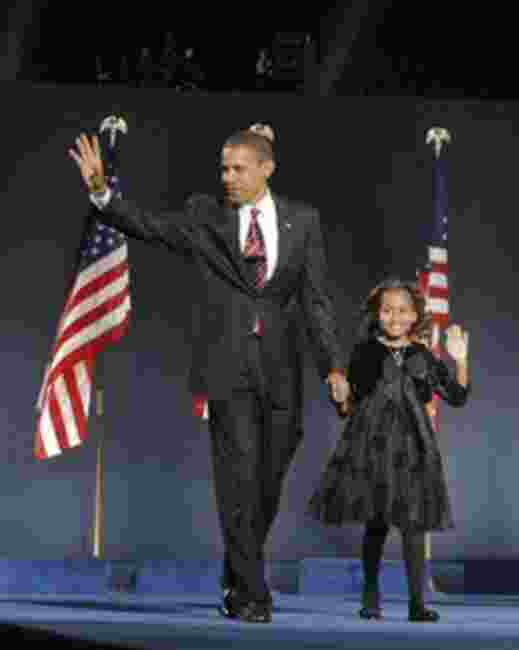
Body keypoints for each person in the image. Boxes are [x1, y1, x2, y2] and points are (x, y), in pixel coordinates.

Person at [68, 126, 350, 624]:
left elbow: (317, 301)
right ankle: (251, 594)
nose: (228, 177)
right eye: (223, 168)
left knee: (267, 482)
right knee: (237, 478)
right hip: (227, 369)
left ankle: (237, 568)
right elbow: (151, 225)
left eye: (238, 168)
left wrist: (332, 365)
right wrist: (101, 193)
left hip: (283, 371)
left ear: (267, 168)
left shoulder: (304, 222)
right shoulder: (206, 216)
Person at [308, 278, 469, 623]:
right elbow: (349, 404)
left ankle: (416, 603)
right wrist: (339, 396)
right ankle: (370, 595)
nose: (395, 316)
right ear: (377, 314)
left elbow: (457, 396)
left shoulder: (423, 355)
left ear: (415, 315)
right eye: (387, 310)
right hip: (373, 447)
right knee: (377, 523)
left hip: (413, 449)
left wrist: (461, 360)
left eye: (402, 310)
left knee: (414, 526)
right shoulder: (365, 351)